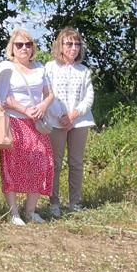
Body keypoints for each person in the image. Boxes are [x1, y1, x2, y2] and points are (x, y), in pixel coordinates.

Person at [0, 30, 54, 225]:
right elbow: (1, 94)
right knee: (11, 165)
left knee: (40, 162)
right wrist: (24, 109)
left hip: (36, 122)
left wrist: (42, 106)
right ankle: (14, 213)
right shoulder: (5, 66)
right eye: (19, 44)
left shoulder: (39, 67)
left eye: (28, 44)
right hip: (14, 120)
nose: (24, 48)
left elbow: (49, 94)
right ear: (12, 47)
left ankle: (31, 210)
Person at [44, 28, 95, 216]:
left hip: (79, 122)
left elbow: (89, 97)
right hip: (56, 120)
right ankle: (54, 202)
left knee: (76, 162)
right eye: (69, 44)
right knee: (55, 163)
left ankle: (75, 202)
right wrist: (61, 115)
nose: (73, 48)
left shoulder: (84, 71)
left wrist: (73, 115)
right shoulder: (49, 68)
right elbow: (48, 93)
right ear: (60, 45)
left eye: (77, 44)